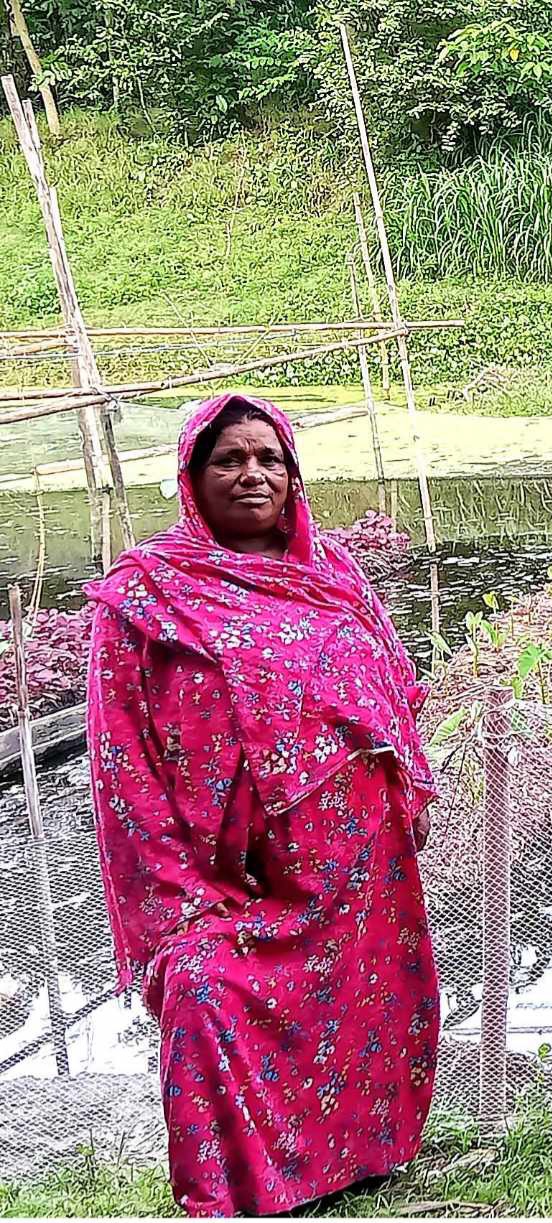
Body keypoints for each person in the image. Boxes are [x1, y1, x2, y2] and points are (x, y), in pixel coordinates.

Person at [85, 394, 440, 1217]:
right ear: (192, 476)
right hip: (222, 877)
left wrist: (409, 781)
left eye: (269, 458)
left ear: (293, 474)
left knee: (360, 1007)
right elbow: (122, 764)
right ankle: (239, 1185)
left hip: (357, 864)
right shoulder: (144, 598)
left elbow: (391, 686)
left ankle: (358, 1156)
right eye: (229, 460)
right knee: (205, 987)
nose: (252, 474)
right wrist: (178, 896)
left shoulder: (336, 575)